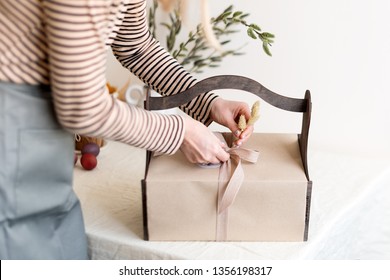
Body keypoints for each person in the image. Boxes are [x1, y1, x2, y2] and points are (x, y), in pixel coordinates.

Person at [0, 0, 253, 259]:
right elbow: (82, 106)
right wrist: (182, 132)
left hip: (41, 125)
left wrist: (208, 103)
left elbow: (136, 48)